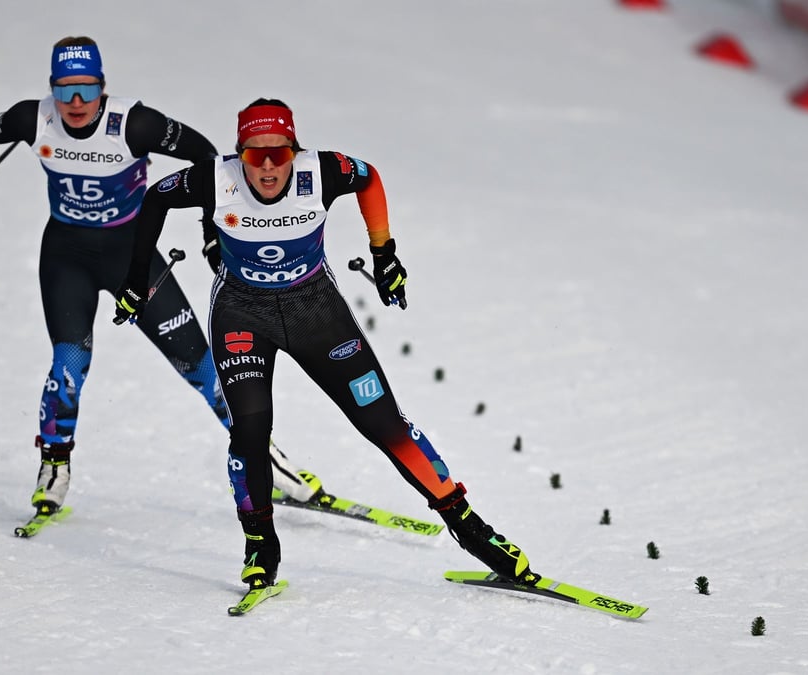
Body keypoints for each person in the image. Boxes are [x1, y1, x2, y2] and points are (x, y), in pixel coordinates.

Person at [113, 98, 539, 590]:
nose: (268, 167)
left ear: (296, 149)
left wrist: (384, 254)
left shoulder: (325, 170)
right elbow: (156, 200)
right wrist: (134, 279)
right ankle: (259, 545)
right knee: (250, 432)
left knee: (384, 422)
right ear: (238, 155)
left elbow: (370, 178)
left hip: (315, 311)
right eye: (255, 156)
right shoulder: (214, 178)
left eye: (280, 153)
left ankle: (474, 531)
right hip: (242, 313)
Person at [0, 39, 323, 517]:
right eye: (64, 90)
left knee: (201, 364)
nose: (75, 102)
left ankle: (265, 459)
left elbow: (206, 157)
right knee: (69, 364)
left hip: (132, 260)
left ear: (102, 87)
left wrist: (211, 230)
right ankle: (54, 463)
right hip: (67, 257)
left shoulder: (135, 124)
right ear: (51, 89)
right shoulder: (34, 118)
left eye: (86, 89)